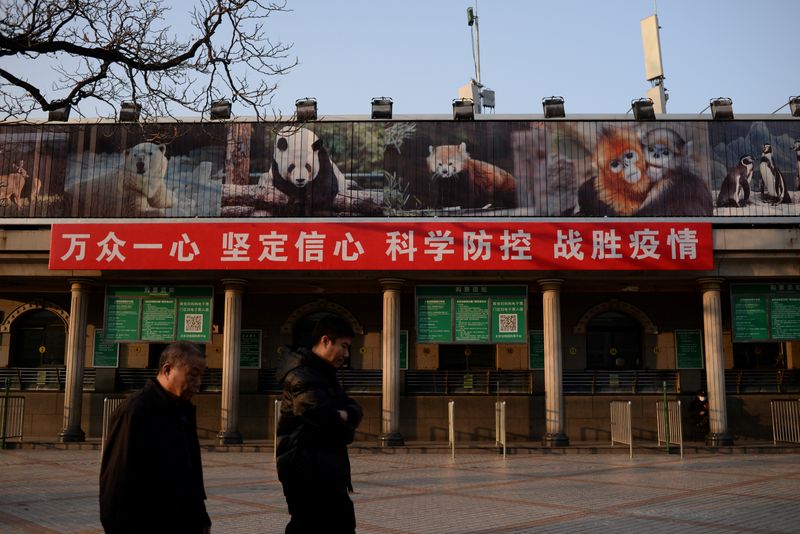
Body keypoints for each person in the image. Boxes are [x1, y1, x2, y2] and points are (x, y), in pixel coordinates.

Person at [99, 342, 211, 534]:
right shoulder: (135, 411)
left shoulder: (182, 410)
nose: (198, 383)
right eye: (193, 374)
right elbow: (115, 486)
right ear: (167, 370)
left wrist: (201, 517)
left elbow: (191, 475)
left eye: (202, 375)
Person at [275, 316, 363, 534]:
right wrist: (342, 418)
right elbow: (326, 420)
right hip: (306, 472)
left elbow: (354, 408)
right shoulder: (301, 375)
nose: (346, 354)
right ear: (325, 341)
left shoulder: (324, 374)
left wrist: (343, 414)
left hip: (325, 468)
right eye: (344, 346)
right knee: (310, 525)